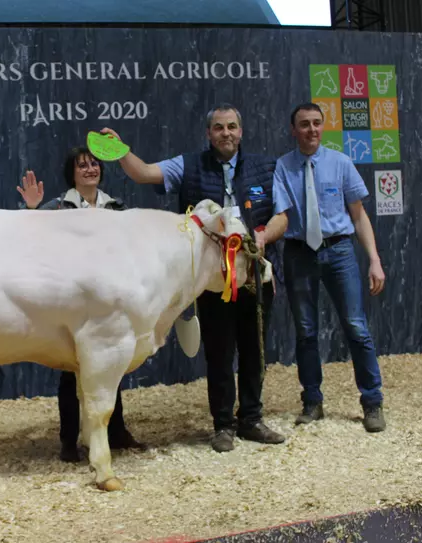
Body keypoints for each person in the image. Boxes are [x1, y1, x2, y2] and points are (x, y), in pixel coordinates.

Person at [100, 103, 286, 453]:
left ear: (241, 131)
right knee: (218, 352)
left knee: (254, 350)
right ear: (209, 133)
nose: (226, 133)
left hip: (255, 276)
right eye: (219, 128)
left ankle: (251, 419)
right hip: (209, 280)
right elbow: (142, 173)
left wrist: (263, 237)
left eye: (232, 126)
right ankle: (223, 426)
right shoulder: (187, 165)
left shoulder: (266, 166)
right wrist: (121, 151)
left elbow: (282, 216)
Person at [16, 146, 147, 462]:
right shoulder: (58, 207)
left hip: (107, 303)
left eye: (94, 164)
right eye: (82, 165)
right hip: (70, 302)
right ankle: (67, 440)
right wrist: (33, 209)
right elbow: (26, 238)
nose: (90, 169)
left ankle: (116, 432)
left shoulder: (116, 208)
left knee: (110, 367)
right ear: (72, 173)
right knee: (70, 370)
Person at [268, 102, 386, 432]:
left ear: (324, 126)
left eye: (317, 123)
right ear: (294, 130)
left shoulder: (341, 163)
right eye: (304, 124)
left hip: (340, 253)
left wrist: (374, 260)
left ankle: (372, 403)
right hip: (298, 254)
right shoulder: (283, 167)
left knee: (356, 328)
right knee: (306, 332)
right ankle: (312, 402)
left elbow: (359, 215)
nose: (311, 129)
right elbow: (281, 215)